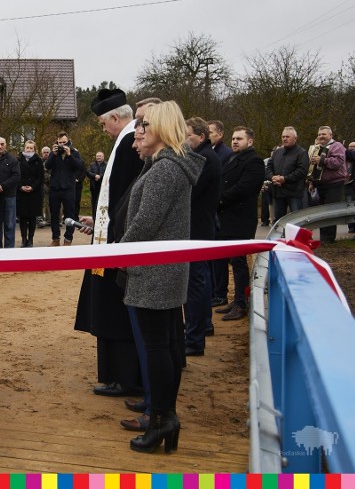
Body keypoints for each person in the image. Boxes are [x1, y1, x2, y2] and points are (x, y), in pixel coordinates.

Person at [120, 101, 203, 453]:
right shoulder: (166, 166)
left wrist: (116, 253)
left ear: (163, 128)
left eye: (145, 125)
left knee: (159, 348)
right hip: (162, 270)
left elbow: (144, 224)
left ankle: (163, 419)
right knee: (165, 345)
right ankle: (164, 418)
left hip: (154, 272)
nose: (139, 130)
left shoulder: (166, 169)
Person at [74, 88, 145, 398]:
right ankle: (116, 374)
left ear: (116, 118)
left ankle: (123, 377)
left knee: (114, 310)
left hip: (117, 245)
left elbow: (129, 199)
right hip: (110, 237)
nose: (103, 131)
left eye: (103, 124)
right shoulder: (125, 141)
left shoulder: (130, 144)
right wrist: (99, 221)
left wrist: (112, 230)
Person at [212, 126, 265, 321]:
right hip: (228, 217)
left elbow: (244, 188)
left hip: (240, 218)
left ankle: (242, 303)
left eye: (239, 139)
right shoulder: (233, 158)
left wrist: (220, 200)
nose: (234, 142)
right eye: (233, 138)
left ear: (249, 142)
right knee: (233, 261)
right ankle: (237, 300)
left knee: (239, 262)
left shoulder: (254, 161)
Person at [183, 117, 222, 357]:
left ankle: (195, 337)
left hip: (197, 228)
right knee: (200, 280)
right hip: (201, 226)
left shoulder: (205, 158)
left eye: (187, 135)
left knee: (195, 284)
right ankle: (202, 326)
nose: (184, 140)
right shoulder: (207, 156)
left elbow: (190, 192)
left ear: (200, 136)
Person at [45, 131, 85, 246]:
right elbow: (47, 166)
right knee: (54, 214)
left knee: (70, 214)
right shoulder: (54, 153)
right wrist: (53, 154)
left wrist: (69, 155)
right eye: (60, 142)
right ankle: (55, 238)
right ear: (57, 142)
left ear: (68, 141)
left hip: (68, 188)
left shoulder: (74, 152)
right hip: (55, 188)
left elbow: (79, 166)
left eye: (64, 142)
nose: (62, 144)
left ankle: (68, 238)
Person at [311, 126, 348, 244]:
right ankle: (323, 238)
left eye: (324, 134)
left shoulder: (337, 146)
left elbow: (337, 163)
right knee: (322, 212)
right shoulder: (317, 148)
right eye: (319, 134)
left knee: (330, 211)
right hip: (320, 184)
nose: (321, 136)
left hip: (334, 184)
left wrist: (322, 160)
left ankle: (329, 239)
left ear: (330, 135)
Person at [265, 127, 309, 223]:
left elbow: (301, 171)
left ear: (295, 138)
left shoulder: (301, 153)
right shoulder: (277, 152)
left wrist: (284, 179)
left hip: (294, 192)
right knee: (279, 221)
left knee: (296, 220)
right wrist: (272, 177)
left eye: (287, 137)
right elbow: (269, 167)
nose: (285, 139)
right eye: (283, 136)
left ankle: (297, 238)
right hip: (278, 192)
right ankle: (281, 238)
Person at [0, 137, 21, 248]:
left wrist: (2, 186)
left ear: (5, 145)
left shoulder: (12, 160)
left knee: (10, 224)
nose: (0, 146)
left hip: (9, 196)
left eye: (2, 144)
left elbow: (16, 176)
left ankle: (9, 250)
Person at [17, 140, 43, 248]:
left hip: (34, 193)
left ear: (34, 149)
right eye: (27, 147)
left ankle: (31, 239)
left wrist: (32, 187)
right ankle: (24, 239)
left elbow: (40, 177)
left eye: (31, 148)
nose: (29, 149)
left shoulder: (38, 160)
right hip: (22, 192)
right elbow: (16, 175)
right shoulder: (18, 160)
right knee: (23, 218)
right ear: (24, 148)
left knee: (32, 218)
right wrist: (21, 186)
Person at [87, 152, 107, 218]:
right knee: (94, 202)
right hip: (94, 186)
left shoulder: (107, 164)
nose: (98, 157)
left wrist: (100, 176)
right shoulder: (92, 164)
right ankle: (94, 216)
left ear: (103, 157)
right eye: (97, 156)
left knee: (102, 202)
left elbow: (107, 173)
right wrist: (94, 176)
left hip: (103, 186)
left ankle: (102, 216)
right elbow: (88, 172)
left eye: (99, 156)